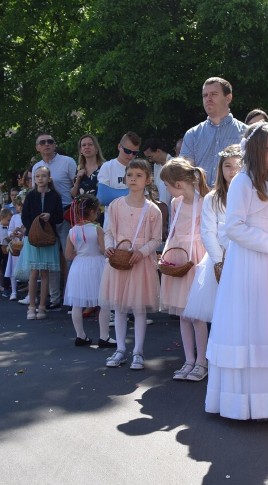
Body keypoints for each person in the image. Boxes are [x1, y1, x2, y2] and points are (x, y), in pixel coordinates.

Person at [205, 122, 268, 420]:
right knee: (250, 324)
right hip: (248, 263)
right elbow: (234, 227)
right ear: (256, 150)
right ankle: (242, 403)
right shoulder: (243, 182)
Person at [100, 159, 163, 368]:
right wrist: (109, 246)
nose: (133, 179)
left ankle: (138, 351)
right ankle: (120, 349)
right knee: (118, 307)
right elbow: (109, 231)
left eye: (138, 175)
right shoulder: (116, 205)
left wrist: (142, 252)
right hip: (118, 261)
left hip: (140, 264)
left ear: (147, 179)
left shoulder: (153, 210)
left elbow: (156, 239)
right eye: (130, 175)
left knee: (138, 309)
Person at [159, 158, 209, 381]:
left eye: (168, 185)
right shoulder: (176, 203)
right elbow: (174, 230)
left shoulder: (205, 201)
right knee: (182, 313)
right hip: (180, 255)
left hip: (197, 256)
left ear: (178, 184)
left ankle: (202, 362)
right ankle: (189, 359)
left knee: (196, 314)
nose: (167, 191)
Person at [183, 145, 240, 327]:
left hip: (245, 256)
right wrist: (219, 261)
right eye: (228, 166)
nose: (233, 171)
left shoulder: (251, 195)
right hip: (221, 258)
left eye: (238, 166)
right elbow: (208, 232)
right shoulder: (213, 198)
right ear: (220, 169)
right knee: (221, 312)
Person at [31, 132, 75, 309]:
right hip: (44, 220)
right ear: (37, 147)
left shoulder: (67, 162)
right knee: (51, 260)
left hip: (65, 214)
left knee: (70, 256)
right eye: (43, 142)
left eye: (50, 141)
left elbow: (76, 188)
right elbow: (34, 193)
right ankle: (55, 298)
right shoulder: (37, 167)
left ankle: (72, 297)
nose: (47, 144)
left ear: (55, 145)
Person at [64, 195, 112, 348]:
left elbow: (68, 255)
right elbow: (104, 250)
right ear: (92, 211)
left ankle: (80, 335)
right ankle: (104, 336)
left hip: (78, 266)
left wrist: (80, 253)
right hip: (96, 265)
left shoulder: (72, 231)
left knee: (77, 303)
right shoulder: (97, 228)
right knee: (103, 302)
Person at [181, 77, 247, 187]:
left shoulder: (246, 133)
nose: (208, 99)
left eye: (214, 94)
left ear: (228, 98)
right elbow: (185, 172)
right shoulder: (192, 134)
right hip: (200, 200)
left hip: (234, 199)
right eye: (205, 95)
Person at [19, 166, 63, 319]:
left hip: (49, 238)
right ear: (34, 179)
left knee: (45, 272)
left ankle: (42, 306)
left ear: (49, 178)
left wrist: (50, 216)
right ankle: (31, 306)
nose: (40, 179)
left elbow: (60, 217)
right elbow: (24, 216)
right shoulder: (31, 196)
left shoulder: (55, 196)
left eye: (43, 176)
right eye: (37, 176)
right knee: (33, 272)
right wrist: (34, 227)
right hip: (33, 238)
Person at [97, 131, 143, 210]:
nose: (130, 155)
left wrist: (115, 193)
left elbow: (144, 198)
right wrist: (134, 193)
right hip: (113, 221)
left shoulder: (141, 169)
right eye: (127, 151)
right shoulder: (108, 166)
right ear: (119, 147)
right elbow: (103, 198)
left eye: (135, 153)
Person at [142, 138, 173, 209]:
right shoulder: (156, 166)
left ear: (158, 151)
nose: (150, 160)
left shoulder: (173, 164)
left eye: (150, 156)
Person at [4, 195, 25, 300]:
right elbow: (9, 229)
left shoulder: (28, 217)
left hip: (25, 244)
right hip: (16, 245)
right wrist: (12, 234)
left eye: (22, 205)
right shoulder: (15, 217)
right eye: (18, 205)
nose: (20, 207)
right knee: (13, 268)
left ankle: (30, 293)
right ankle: (13, 291)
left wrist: (23, 234)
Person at [71, 134, 104, 198]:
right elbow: (73, 195)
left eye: (90, 144)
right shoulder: (79, 168)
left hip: (100, 207)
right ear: (81, 150)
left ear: (96, 149)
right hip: (82, 207)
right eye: (83, 145)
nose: (87, 147)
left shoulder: (104, 167)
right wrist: (78, 180)